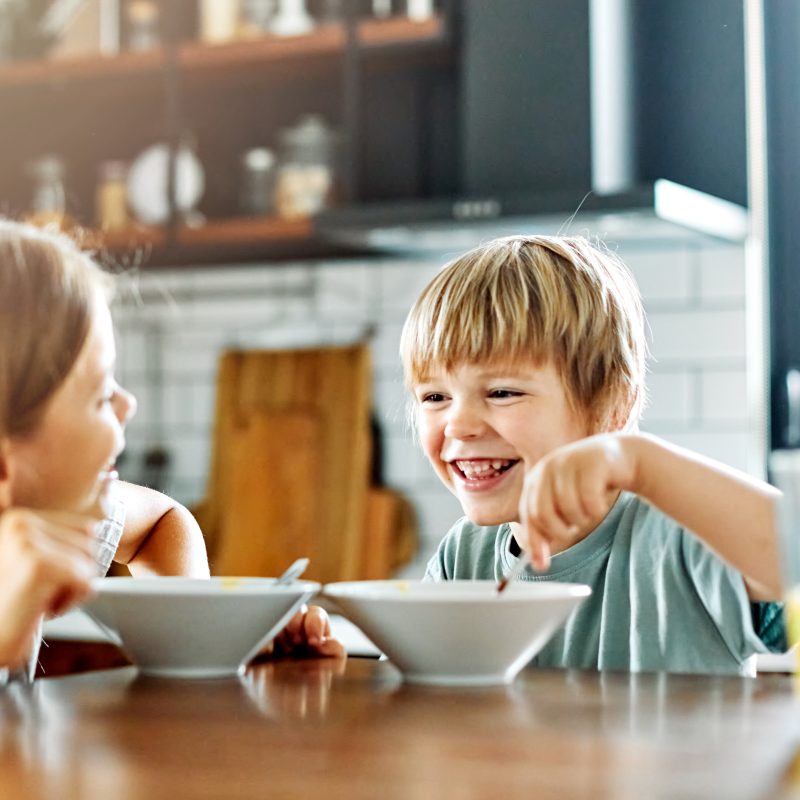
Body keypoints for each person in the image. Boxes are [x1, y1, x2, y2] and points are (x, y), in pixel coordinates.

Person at [400, 234, 784, 676]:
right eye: (433, 397)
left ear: (611, 406)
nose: (458, 424)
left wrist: (639, 462)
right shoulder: (461, 558)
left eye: (502, 392)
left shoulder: (683, 538)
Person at [0, 219, 341, 678]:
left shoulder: (47, 509)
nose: (128, 403)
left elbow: (160, 523)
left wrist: (207, 641)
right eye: (101, 395)